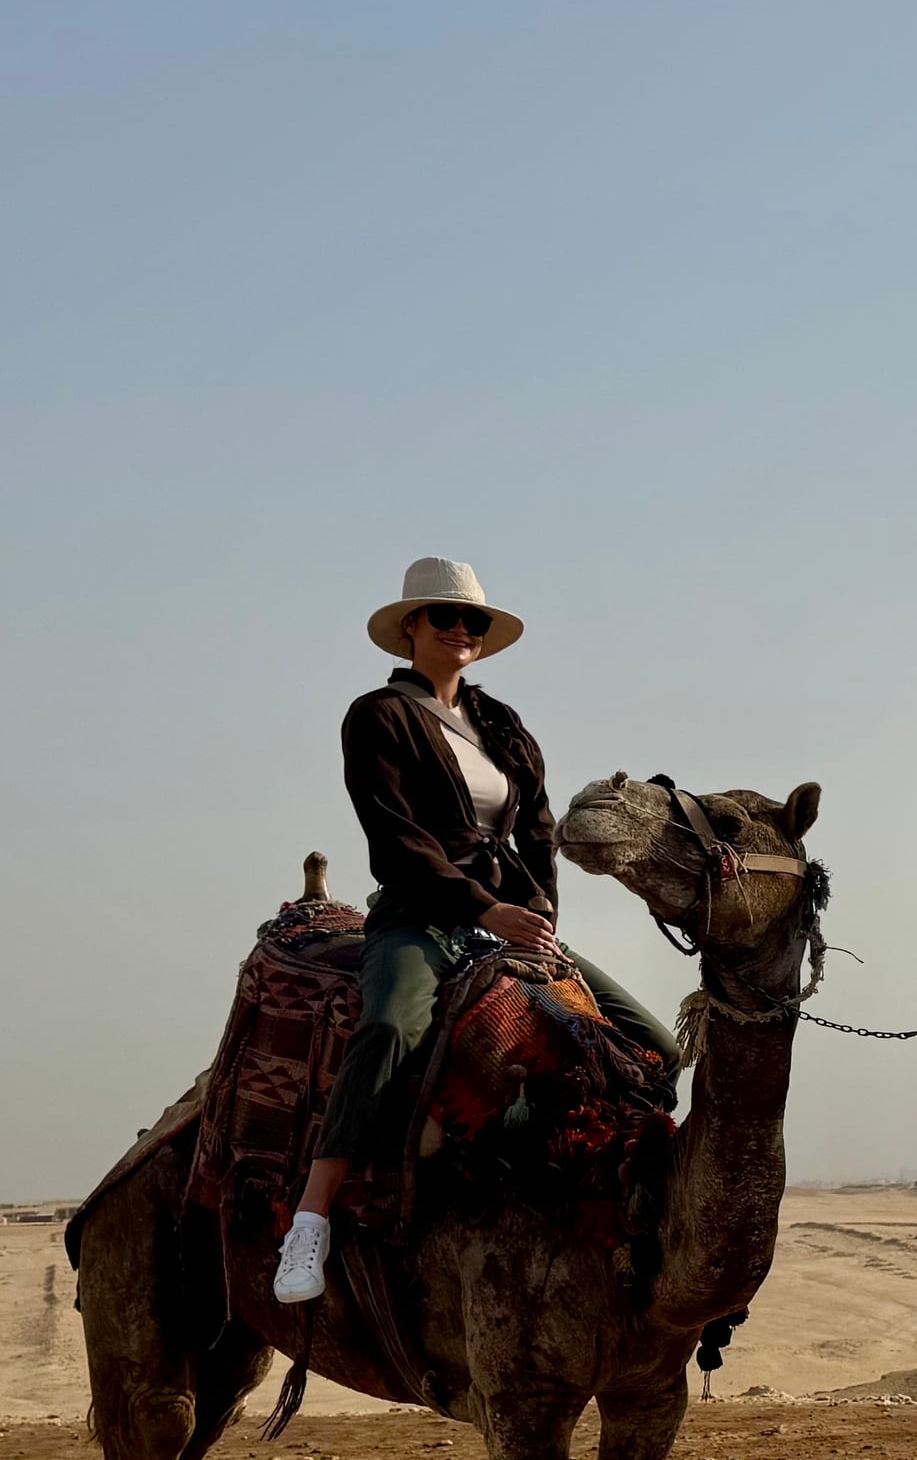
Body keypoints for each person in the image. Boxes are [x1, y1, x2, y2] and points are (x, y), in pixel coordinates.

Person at [270, 558, 686, 1306]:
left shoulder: (501, 725)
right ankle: (311, 1216)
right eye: (444, 617)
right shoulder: (379, 715)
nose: (461, 630)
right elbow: (396, 839)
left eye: (474, 621)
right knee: (389, 1030)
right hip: (421, 917)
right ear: (410, 629)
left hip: (515, 926)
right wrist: (482, 908)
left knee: (654, 1044)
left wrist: (541, 914)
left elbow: (538, 828)